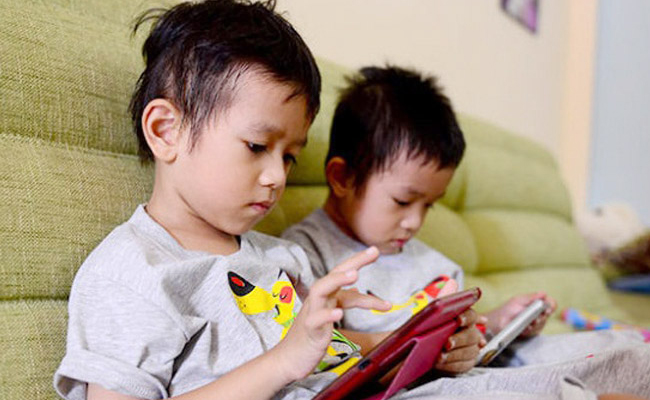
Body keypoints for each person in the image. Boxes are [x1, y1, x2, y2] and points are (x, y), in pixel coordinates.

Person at [52, 2, 481, 400]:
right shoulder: (133, 272)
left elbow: (336, 360)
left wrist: (425, 348)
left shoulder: (282, 257)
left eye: (290, 156)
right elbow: (293, 360)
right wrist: (281, 362)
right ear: (167, 131)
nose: (278, 176)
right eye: (257, 146)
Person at [282, 66, 650, 399]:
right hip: (413, 389)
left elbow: (464, 341)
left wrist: (496, 323)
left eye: (429, 205)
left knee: (628, 354)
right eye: (403, 201)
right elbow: (305, 347)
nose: (414, 222)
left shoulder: (430, 262)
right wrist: (411, 348)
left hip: (472, 369)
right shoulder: (304, 254)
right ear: (343, 178)